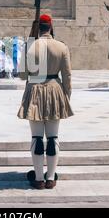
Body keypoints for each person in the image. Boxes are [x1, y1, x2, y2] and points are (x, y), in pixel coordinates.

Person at [17, 14, 73, 190]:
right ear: (51, 26)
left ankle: (39, 178)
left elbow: (22, 75)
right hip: (55, 89)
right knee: (53, 137)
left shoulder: (30, 46)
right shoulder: (61, 47)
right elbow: (67, 76)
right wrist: (65, 98)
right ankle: (50, 178)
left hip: (35, 90)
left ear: (38, 27)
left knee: (37, 137)